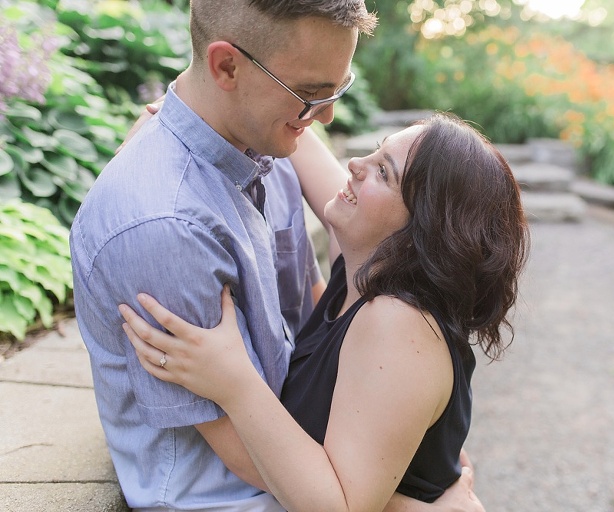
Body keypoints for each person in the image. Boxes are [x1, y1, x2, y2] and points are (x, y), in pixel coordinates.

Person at [71, 0, 480, 509]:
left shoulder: (272, 143)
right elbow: (259, 465)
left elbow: (313, 324)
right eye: (310, 94)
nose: (326, 118)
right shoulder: (167, 226)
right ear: (226, 67)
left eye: (337, 90)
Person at [119, 113, 530, 510]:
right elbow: (296, 135)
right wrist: (182, 113)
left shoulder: (398, 323)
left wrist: (233, 381)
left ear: (421, 230)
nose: (355, 165)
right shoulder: (358, 271)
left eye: (384, 172)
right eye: (374, 151)